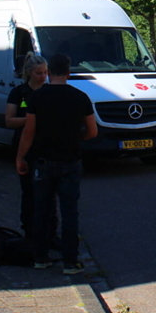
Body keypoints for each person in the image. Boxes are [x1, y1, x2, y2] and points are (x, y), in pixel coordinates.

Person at [16, 53, 97, 274]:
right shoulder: (80, 97)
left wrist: (21, 157)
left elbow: (28, 132)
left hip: (43, 162)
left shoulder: (37, 97)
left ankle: (40, 258)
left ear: (49, 72)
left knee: (42, 210)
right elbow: (92, 130)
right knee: (70, 212)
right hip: (70, 160)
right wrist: (76, 138)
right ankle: (71, 261)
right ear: (69, 73)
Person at [5, 52, 53, 243]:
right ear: (29, 73)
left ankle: (51, 233)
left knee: (49, 193)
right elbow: (9, 120)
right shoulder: (19, 93)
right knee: (29, 192)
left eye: (45, 72)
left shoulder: (50, 91)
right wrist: (30, 119)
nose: (43, 77)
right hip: (26, 147)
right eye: (39, 73)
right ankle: (30, 232)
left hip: (48, 146)